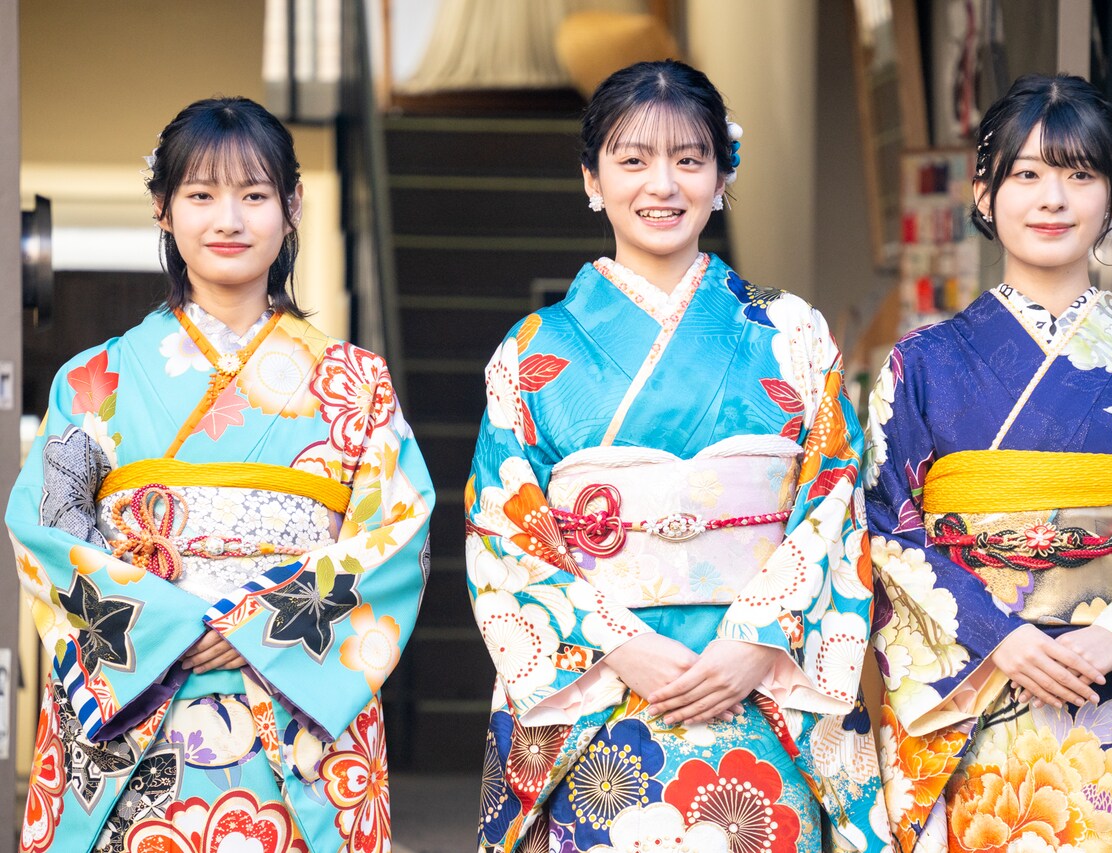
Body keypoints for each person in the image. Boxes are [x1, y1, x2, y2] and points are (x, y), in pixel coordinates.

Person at [465, 60, 888, 852]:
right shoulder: (531, 351)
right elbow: (505, 530)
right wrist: (620, 645)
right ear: (591, 179)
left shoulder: (793, 331)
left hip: (760, 687)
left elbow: (833, 498)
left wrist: (756, 639)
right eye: (633, 160)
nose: (662, 185)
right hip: (603, 695)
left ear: (722, 176)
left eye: (689, 159)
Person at [7, 97, 433, 853]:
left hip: (299, 715)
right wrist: (173, 628)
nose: (228, 220)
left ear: (291, 208)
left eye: (255, 195)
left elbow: (398, 533)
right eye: (201, 195)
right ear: (163, 209)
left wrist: (261, 626)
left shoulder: (357, 383)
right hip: (136, 707)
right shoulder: (92, 379)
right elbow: (44, 529)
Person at [866, 74, 1112, 853]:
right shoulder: (923, 364)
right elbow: (884, 526)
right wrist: (996, 634)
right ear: (983, 194)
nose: (1053, 198)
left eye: (1080, 174)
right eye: (1026, 174)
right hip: (983, 698)